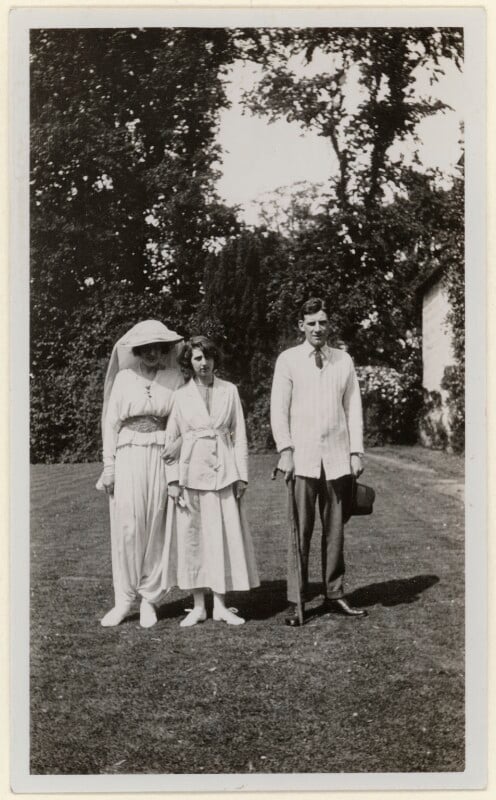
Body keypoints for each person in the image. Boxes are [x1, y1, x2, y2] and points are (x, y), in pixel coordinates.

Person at [270, 298, 368, 624]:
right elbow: (278, 410)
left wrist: (356, 452)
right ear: (301, 325)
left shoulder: (343, 360)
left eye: (322, 322)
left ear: (329, 324)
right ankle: (297, 600)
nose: (317, 328)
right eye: (311, 323)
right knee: (300, 531)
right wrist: (285, 450)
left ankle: (335, 594)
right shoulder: (288, 360)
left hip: (337, 458)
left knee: (335, 532)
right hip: (302, 459)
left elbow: (353, 407)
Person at [161, 336, 259, 627]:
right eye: (197, 358)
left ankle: (220, 605)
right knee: (193, 539)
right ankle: (198, 606)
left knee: (221, 538)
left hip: (224, 473)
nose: (204, 363)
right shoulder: (180, 396)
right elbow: (171, 439)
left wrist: (241, 476)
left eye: (208, 357)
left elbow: (239, 436)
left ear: (215, 359)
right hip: (190, 474)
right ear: (189, 363)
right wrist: (173, 480)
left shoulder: (229, 390)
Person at [97, 320, 184, 628]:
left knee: (156, 524)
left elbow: (182, 419)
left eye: (157, 348)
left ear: (164, 350)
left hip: (161, 456)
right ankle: (123, 601)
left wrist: (178, 446)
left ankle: (150, 600)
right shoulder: (123, 378)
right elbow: (111, 424)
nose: (151, 353)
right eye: (145, 348)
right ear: (137, 350)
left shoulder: (174, 378)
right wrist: (109, 467)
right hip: (129, 454)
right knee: (129, 526)